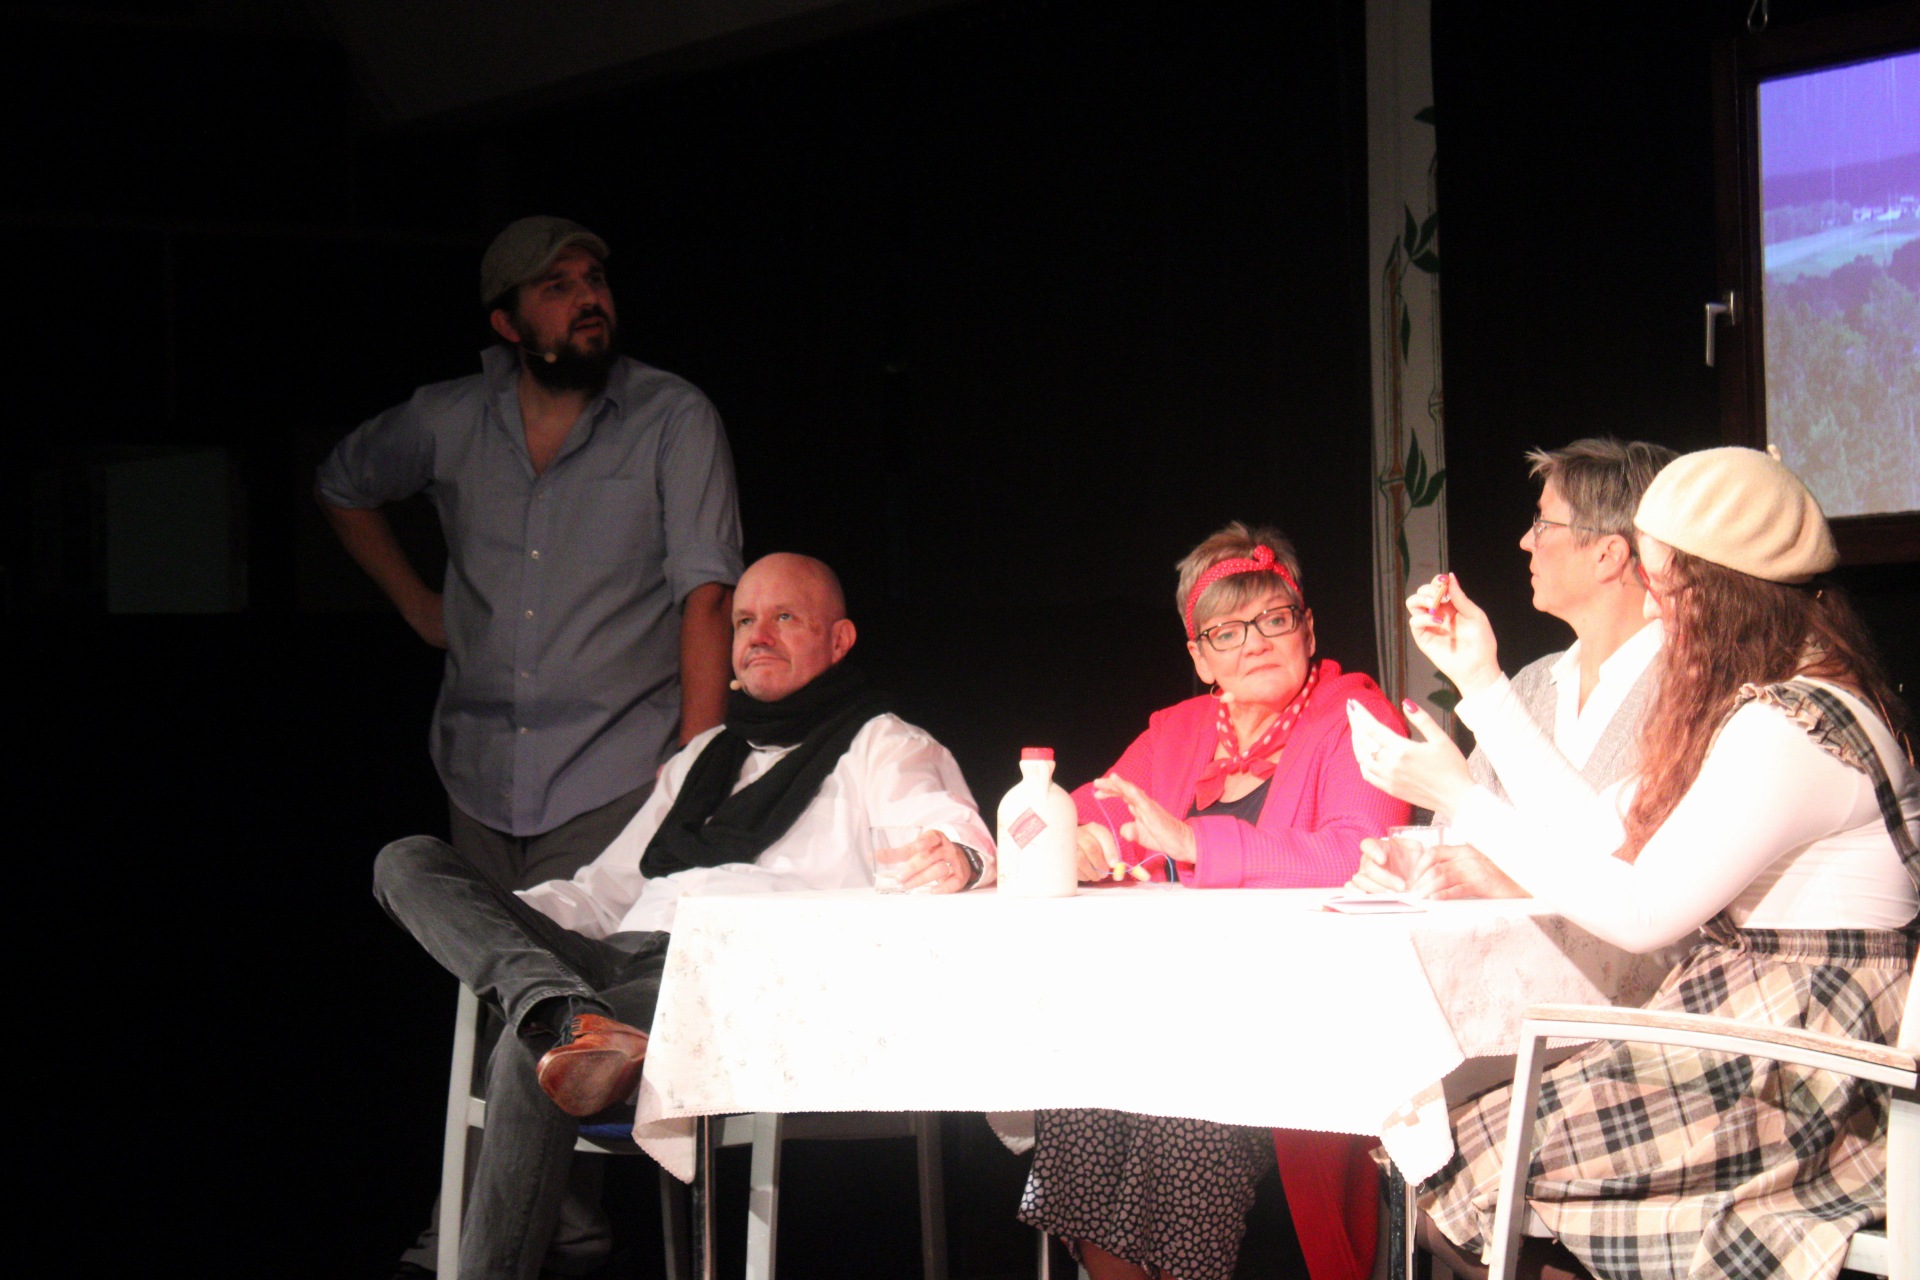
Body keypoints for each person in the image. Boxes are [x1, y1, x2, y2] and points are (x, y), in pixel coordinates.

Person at [1348, 447, 1919, 1280]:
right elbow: (1602, 829)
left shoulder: (1791, 726)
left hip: (1798, 1067)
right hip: (1758, 1028)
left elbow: (1644, 914)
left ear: (1718, 594)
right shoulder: (1781, 705)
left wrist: (1466, 801)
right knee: (1455, 1152)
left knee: (1467, 1164)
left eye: (1664, 587)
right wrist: (1481, 681)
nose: (1653, 608)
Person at [374, 552, 996, 1280]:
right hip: (620, 956)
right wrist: (491, 916)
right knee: (404, 861)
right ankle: (560, 1004)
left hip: (731, 974)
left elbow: (945, 829)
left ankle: (557, 1018)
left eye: (784, 617)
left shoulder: (883, 745)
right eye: (744, 621)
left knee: (531, 1046)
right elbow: (601, 892)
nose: (758, 636)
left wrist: (958, 855)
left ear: (839, 640)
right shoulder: (701, 757)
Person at [1017, 523, 1410, 1280]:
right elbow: (1066, 817)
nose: (1254, 643)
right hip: (1167, 1014)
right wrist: (1063, 845)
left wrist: (1194, 841)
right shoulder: (1180, 731)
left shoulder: (1356, 719)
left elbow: (1360, 855)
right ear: (1199, 656)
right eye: (1227, 632)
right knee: (1078, 1093)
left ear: (1307, 629)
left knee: (1187, 1113)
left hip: (1295, 1029)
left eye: (1273, 620)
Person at [318, 214, 742, 893]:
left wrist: (695, 770)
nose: (588, 298)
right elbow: (343, 483)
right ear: (508, 324)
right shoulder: (449, 418)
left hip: (617, 770)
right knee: (486, 956)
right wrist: (418, 605)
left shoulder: (672, 417)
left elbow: (709, 596)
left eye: (595, 280)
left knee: (567, 955)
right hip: (478, 771)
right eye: (556, 287)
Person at [1347, 437, 1675, 899]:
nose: (1525, 541)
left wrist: (1509, 877)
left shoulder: (1690, 690)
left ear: (1608, 554)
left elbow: (1641, 873)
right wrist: (1413, 862)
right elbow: (1458, 834)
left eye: (1543, 523)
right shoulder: (1535, 682)